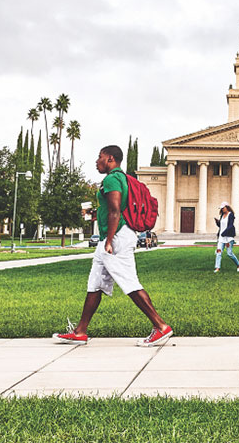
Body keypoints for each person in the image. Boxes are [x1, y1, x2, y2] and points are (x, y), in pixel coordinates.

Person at [52, 145, 173, 346]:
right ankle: (80, 331)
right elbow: (112, 209)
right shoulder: (121, 178)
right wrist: (94, 217)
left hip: (116, 238)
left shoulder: (112, 179)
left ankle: (160, 326)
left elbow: (115, 211)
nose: (96, 161)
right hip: (111, 237)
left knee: (129, 281)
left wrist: (108, 240)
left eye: (99, 157)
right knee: (95, 283)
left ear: (110, 159)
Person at [214, 202, 239, 273]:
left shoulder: (231, 215)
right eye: (221, 208)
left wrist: (224, 233)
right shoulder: (222, 215)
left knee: (229, 253)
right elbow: (221, 226)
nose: (222, 209)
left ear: (227, 207)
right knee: (218, 252)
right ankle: (217, 268)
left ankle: (238, 265)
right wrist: (217, 222)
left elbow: (230, 226)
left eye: (223, 208)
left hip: (228, 237)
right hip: (221, 237)